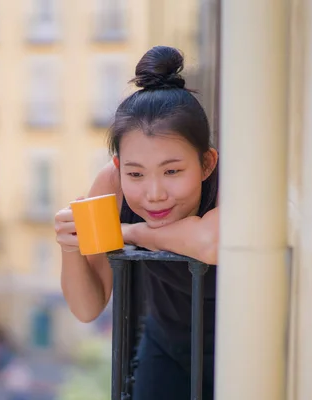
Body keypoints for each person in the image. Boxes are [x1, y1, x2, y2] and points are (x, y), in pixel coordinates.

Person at [55, 46, 219, 400]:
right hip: (165, 353)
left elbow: (211, 242)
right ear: (118, 168)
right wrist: (71, 246)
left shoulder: (228, 183)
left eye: (172, 171)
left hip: (243, 356)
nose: (154, 193)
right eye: (136, 173)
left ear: (207, 163)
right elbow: (87, 308)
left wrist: (127, 232)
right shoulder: (110, 186)